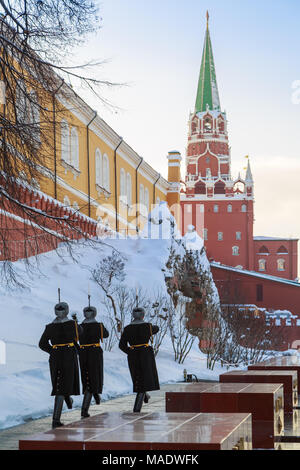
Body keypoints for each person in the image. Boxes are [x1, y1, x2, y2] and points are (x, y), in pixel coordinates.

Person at [38, 302, 81, 428]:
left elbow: (42, 344)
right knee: (63, 384)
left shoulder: (50, 327)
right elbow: (80, 333)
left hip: (55, 357)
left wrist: (53, 351)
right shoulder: (72, 324)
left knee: (59, 383)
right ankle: (56, 419)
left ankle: (66, 401)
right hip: (68, 355)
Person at [119, 307, 160, 412]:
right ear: (143, 315)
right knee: (144, 378)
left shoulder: (127, 328)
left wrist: (131, 351)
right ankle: (136, 409)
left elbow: (121, 345)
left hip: (133, 355)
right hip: (145, 354)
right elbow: (157, 328)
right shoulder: (147, 326)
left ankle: (145, 396)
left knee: (138, 377)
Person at [78, 306, 109, 418]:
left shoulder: (79, 326)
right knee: (94, 377)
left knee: (86, 377)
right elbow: (106, 334)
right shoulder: (98, 325)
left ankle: (95, 394)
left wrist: (79, 349)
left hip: (83, 353)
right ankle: (84, 410)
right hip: (95, 353)